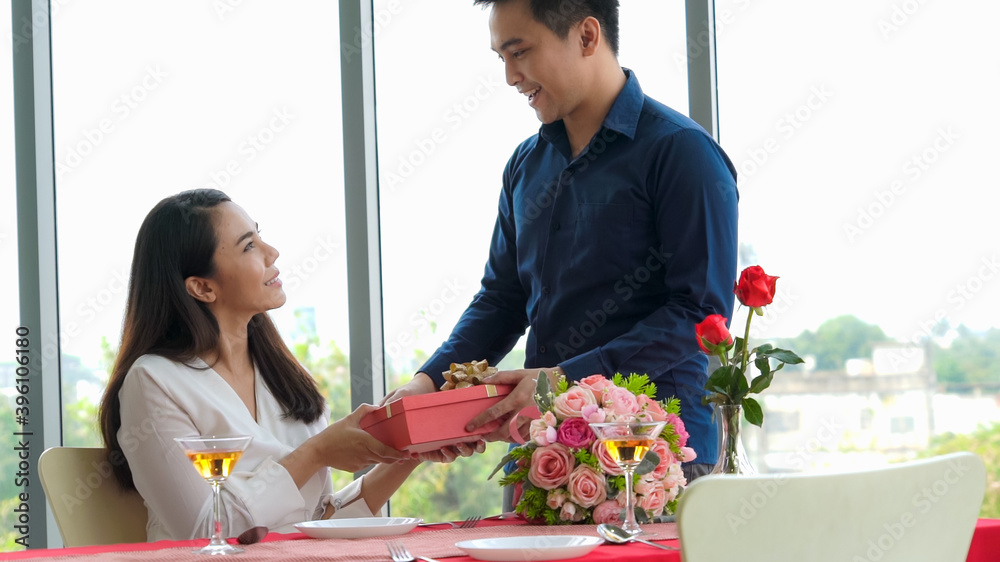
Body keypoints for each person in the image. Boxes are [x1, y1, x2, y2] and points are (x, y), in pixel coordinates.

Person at [384, 0, 738, 482]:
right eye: (501, 58)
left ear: (587, 37)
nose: (511, 76)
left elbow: (699, 314)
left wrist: (562, 380)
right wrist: (426, 384)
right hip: (544, 453)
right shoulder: (524, 165)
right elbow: (502, 300)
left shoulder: (682, 153)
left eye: (521, 52)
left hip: (654, 453)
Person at [98, 189, 483, 541]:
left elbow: (319, 522)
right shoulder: (153, 382)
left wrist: (407, 452)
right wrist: (317, 453)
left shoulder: (280, 376)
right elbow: (203, 532)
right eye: (248, 246)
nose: (272, 252)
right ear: (202, 287)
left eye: (259, 235)